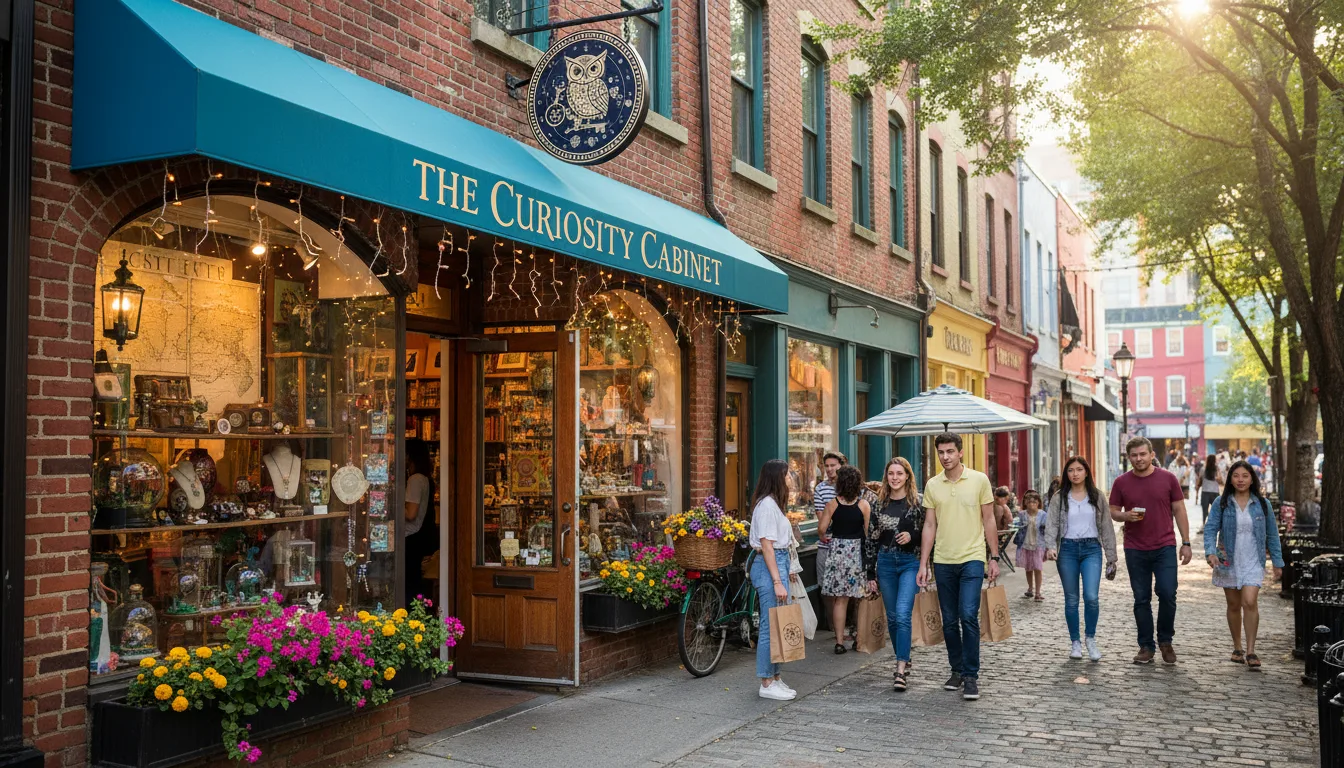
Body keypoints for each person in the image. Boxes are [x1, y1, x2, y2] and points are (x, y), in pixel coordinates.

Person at [917, 433, 999, 702]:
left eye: (950, 451)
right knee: (949, 620)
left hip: (972, 558)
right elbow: (930, 525)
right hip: (943, 560)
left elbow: (989, 520)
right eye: (941, 452)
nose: (945, 457)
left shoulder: (979, 480)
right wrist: (924, 564)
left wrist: (995, 557)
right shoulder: (932, 485)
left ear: (961, 452)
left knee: (968, 615)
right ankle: (957, 670)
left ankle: (972, 675)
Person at [1109, 437, 1193, 665]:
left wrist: (1186, 542)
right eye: (1134, 455)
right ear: (1129, 457)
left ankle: (1165, 640)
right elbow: (1113, 510)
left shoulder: (1168, 478)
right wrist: (1124, 516)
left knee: (1167, 593)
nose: (1139, 459)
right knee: (1141, 598)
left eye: (1142, 454)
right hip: (1135, 548)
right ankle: (1146, 646)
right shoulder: (1121, 482)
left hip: (1164, 546)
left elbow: (1179, 509)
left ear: (1151, 454)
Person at [1205, 460, 1284, 670]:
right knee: (1233, 605)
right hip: (1228, 560)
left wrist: (1278, 562)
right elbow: (1211, 529)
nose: (1240, 480)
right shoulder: (1222, 503)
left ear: (1252, 479)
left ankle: (1251, 651)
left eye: (1245, 476)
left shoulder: (1262, 504)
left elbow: (1272, 535)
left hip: (1253, 559)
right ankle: (1237, 647)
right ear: (1230, 478)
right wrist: (1210, 553)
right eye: (1236, 476)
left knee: (1249, 601)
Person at [1045, 456, 1118, 662]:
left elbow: (1106, 526)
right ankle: (1075, 642)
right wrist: (1051, 546)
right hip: (1067, 550)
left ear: (1087, 472)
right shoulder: (1059, 497)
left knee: (1091, 597)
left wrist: (1111, 556)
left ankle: (1090, 639)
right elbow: (1051, 524)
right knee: (1071, 599)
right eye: (1070, 470)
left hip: (1091, 549)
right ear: (1066, 474)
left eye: (1079, 469)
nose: (1075, 474)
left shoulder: (1097, 496)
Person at [863, 457, 923, 690]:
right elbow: (871, 539)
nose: (895, 478)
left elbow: (929, 533)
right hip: (886, 563)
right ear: (886, 477)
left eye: (899, 473)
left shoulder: (917, 503)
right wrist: (870, 574)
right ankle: (904, 656)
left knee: (902, 614)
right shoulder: (879, 504)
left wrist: (912, 537)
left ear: (908, 475)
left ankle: (900, 669)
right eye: (891, 474)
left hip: (909, 563)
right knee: (892, 617)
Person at [748, 459, 798, 700]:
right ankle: (766, 681)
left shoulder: (772, 504)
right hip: (770, 565)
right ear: (778, 477)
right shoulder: (767, 505)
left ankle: (775, 677)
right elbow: (767, 546)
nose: (790, 479)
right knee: (769, 626)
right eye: (787, 475)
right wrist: (777, 581)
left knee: (777, 624)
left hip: (778, 562)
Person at [818, 465, 871, 654]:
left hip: (838, 552)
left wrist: (826, 537)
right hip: (856, 552)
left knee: (840, 600)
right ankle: (860, 639)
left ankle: (839, 642)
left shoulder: (832, 504)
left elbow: (822, 529)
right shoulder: (863, 505)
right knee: (859, 598)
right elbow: (868, 533)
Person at [403, 438, 438, 606]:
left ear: (409, 456)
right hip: (418, 537)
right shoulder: (424, 479)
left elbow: (410, 513)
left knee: (410, 582)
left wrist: (391, 505)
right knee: (414, 580)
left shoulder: (415, 480)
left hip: (411, 537)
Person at [1014, 490, 1048, 601]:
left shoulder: (1043, 514)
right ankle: (1030, 588)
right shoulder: (1022, 514)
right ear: (1025, 503)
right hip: (1025, 544)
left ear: (1038, 503)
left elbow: (1046, 529)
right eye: (1029, 502)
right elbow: (1017, 526)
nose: (1031, 504)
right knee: (1028, 568)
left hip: (1039, 544)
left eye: (1034, 502)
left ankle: (1038, 592)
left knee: (1038, 568)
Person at [1199, 454, 1220, 527]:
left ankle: (1204, 523)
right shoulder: (1217, 469)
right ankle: (1217, 524)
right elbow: (1220, 479)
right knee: (1217, 510)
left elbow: (1200, 480)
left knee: (1204, 509)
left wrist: (1197, 488)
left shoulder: (1203, 469)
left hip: (1205, 492)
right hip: (1215, 492)